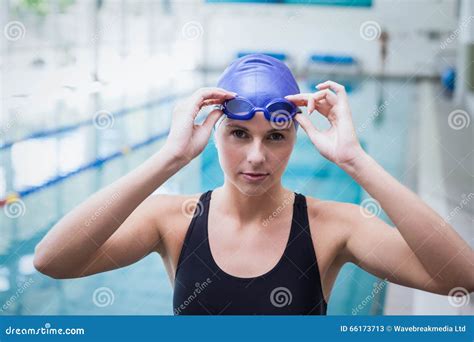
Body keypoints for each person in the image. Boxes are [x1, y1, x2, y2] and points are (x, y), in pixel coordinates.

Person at [34, 54, 474, 315]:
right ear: (214, 133)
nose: (257, 156)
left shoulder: (334, 226)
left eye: (276, 137)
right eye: (239, 134)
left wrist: (356, 161)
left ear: (296, 136)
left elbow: (461, 277)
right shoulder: (171, 220)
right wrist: (168, 158)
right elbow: (52, 260)